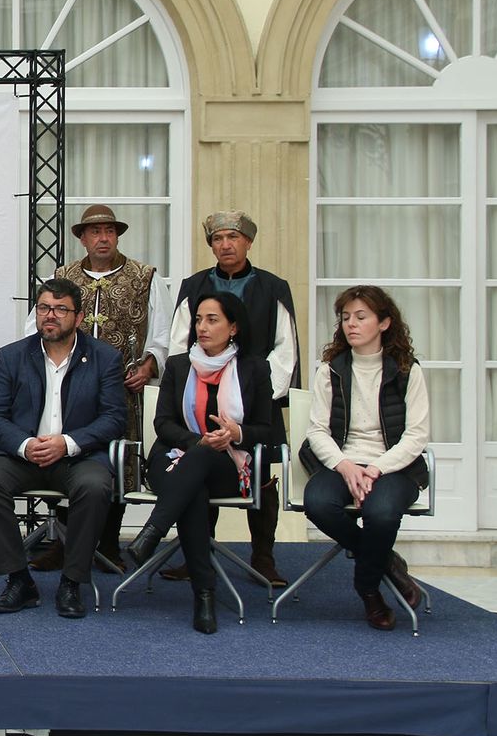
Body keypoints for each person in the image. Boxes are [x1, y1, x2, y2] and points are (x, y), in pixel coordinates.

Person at [24, 204, 170, 571]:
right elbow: (34, 327)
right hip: (67, 387)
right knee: (61, 456)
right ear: (82, 238)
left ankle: (107, 543)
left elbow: (165, 332)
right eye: (95, 232)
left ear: (117, 235)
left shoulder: (144, 277)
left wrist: (150, 363)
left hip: (122, 389)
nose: (103, 238)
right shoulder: (63, 275)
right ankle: (64, 542)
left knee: (116, 462)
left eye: (109, 231)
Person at [0, 277, 125, 619]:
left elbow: (114, 418)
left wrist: (67, 443)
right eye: (43, 308)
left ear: (79, 317)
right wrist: (25, 445)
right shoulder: (13, 356)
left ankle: (72, 582)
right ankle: (18, 578)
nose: (50, 316)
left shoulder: (105, 358)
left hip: (78, 456)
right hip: (24, 455)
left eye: (59, 309)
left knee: (95, 486)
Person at [125, 292, 277, 634]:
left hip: (230, 464)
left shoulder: (254, 369)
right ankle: (204, 595)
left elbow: (266, 429)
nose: (202, 327)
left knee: (197, 474)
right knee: (194, 484)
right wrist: (198, 442)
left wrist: (235, 432)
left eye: (212, 320)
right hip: (175, 456)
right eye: (198, 320)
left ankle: (154, 530)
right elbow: (162, 424)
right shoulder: (179, 365)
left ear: (233, 327)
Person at [167, 210, 298, 586]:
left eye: (233, 238)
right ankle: (197, 554)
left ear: (248, 243)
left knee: (262, 476)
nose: (225, 245)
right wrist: (186, 387)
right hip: (200, 397)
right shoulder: (194, 286)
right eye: (218, 239)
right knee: (198, 467)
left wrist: (255, 393)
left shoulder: (274, 287)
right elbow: (179, 344)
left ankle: (264, 558)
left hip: (255, 402)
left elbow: (284, 349)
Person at [300, 286, 430, 631]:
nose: (350, 325)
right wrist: (345, 466)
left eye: (361, 317)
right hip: (341, 461)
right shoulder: (331, 369)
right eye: (345, 318)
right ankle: (385, 562)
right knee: (318, 503)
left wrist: (375, 468)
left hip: (393, 466)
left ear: (384, 322)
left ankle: (368, 589)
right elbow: (316, 431)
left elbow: (416, 435)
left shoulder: (406, 370)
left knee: (381, 512)